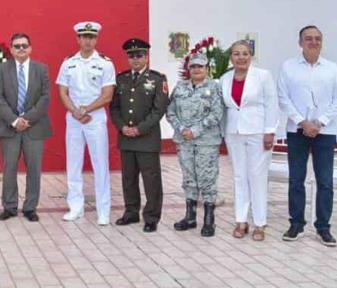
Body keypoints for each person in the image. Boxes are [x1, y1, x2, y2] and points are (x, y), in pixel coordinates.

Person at [278, 25, 337, 246]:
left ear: (322, 42)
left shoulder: (333, 69)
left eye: (317, 38)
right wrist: (302, 121)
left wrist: (320, 122)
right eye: (308, 38)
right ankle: (296, 224)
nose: (313, 42)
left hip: (324, 132)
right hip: (297, 130)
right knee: (296, 180)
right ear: (300, 42)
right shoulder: (288, 67)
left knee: (325, 181)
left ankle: (323, 227)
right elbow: (283, 98)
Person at [57, 21, 116, 225]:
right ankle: (75, 207)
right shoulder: (68, 63)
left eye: (91, 37)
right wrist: (75, 111)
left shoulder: (105, 63)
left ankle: (103, 210)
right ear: (78, 39)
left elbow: (107, 95)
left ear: (96, 39)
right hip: (74, 119)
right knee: (73, 164)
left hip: (95, 118)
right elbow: (62, 91)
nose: (88, 40)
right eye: (84, 37)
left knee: (100, 164)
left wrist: (86, 110)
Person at [219, 40, 279, 240]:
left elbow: (272, 103)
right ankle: (241, 220)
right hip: (234, 132)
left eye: (245, 53)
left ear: (251, 56)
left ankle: (260, 223)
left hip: (258, 132)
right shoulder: (225, 78)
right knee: (239, 176)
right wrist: (222, 133)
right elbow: (225, 108)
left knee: (257, 176)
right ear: (231, 57)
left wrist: (270, 130)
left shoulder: (263, 76)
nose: (241, 57)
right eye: (236, 54)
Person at [110, 38, 169, 233]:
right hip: (126, 137)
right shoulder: (121, 79)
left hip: (147, 138)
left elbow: (158, 110)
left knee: (151, 180)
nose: (135, 59)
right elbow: (115, 108)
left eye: (139, 55)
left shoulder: (157, 79)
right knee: (128, 178)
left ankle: (151, 216)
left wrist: (139, 129)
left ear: (147, 56)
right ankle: (131, 212)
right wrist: (121, 127)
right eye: (131, 56)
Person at [0, 32, 51, 222]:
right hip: (10, 128)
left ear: (30, 48)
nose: (20, 49)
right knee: (9, 168)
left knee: (33, 168)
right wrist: (14, 121)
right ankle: (9, 207)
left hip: (34, 128)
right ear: (11, 49)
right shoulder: (2, 69)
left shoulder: (41, 69)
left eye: (24, 45)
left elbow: (45, 97)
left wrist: (26, 119)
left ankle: (30, 207)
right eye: (17, 46)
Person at [166, 53, 224, 236]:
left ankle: (209, 220)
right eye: (193, 67)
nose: (197, 69)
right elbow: (170, 111)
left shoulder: (214, 87)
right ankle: (190, 217)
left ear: (207, 69)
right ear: (188, 69)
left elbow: (216, 113)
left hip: (206, 141)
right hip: (184, 140)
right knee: (189, 178)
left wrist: (196, 130)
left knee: (207, 179)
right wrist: (182, 128)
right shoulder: (180, 87)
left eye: (200, 66)